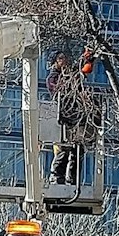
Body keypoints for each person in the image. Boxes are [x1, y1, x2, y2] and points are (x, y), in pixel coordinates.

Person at [46, 50, 95, 186]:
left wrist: (87, 60)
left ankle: (72, 180)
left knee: (78, 151)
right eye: (61, 58)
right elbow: (61, 92)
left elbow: (81, 71)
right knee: (63, 150)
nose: (65, 61)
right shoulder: (53, 78)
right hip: (63, 118)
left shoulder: (70, 75)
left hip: (76, 117)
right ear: (55, 62)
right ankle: (57, 177)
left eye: (65, 57)